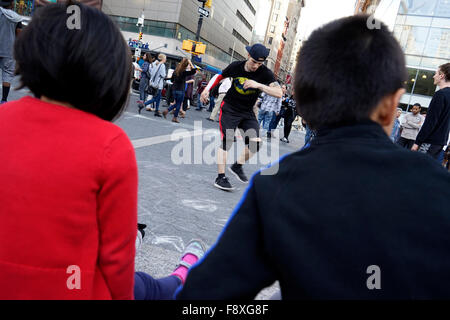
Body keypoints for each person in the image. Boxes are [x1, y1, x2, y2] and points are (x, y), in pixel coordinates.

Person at [176, 16, 450, 300]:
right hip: (233, 110)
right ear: (394, 104)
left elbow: (201, 299)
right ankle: (226, 169)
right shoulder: (440, 187)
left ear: (304, 105)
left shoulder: (277, 187)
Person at [0, 2, 205, 300]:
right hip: (74, 289)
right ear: (111, 77)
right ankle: (181, 275)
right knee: (147, 287)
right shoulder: (110, 145)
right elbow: (117, 261)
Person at [200, 43, 282, 191]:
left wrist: (259, 85)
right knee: (228, 140)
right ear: (248, 56)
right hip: (230, 109)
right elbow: (219, 76)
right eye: (254, 62)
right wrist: (206, 90)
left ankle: (237, 166)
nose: (256, 66)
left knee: (256, 143)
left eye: (259, 63)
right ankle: (220, 177)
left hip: (247, 112)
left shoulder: (265, 73)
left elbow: (279, 93)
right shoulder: (236, 66)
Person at [412, 63, 450, 159]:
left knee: (418, 170)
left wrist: (417, 142)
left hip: (430, 141)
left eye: (436, 73)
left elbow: (430, 122)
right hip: (440, 142)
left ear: (442, 76)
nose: (434, 76)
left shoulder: (440, 95)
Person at [0, 0, 23, 104]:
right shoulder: (16, 17)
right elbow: (19, 35)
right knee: (7, 74)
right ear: (12, 4)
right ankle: (4, 100)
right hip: (8, 50)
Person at [162, 58, 197, 123]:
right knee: (178, 104)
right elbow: (194, 71)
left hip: (174, 89)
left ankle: (167, 111)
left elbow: (172, 80)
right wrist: (191, 63)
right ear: (186, 65)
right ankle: (174, 117)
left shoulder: (176, 71)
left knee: (177, 103)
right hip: (181, 90)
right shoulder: (184, 72)